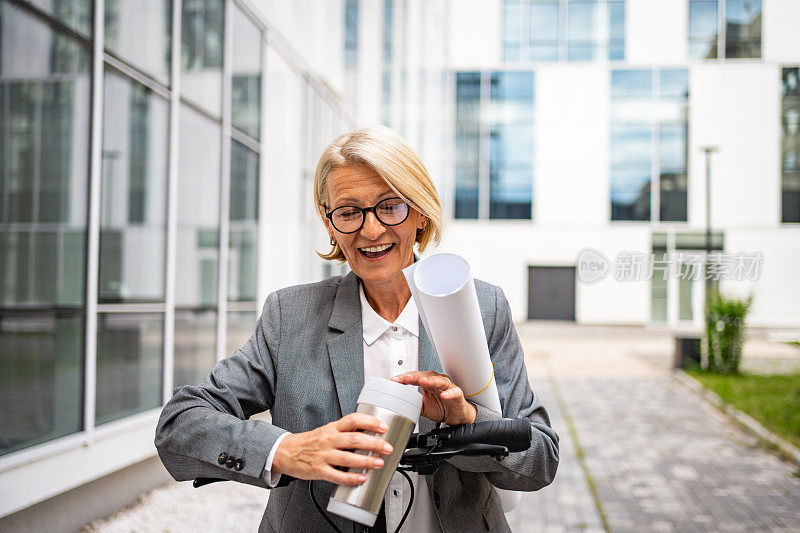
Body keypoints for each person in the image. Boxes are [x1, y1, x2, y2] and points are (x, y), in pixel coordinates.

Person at [154, 125, 559, 532]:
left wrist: (467, 422)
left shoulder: (482, 307)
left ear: (420, 213)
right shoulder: (290, 315)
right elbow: (180, 423)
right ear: (330, 225)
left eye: (390, 206)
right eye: (348, 212)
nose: (371, 230)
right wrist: (288, 449)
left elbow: (541, 458)